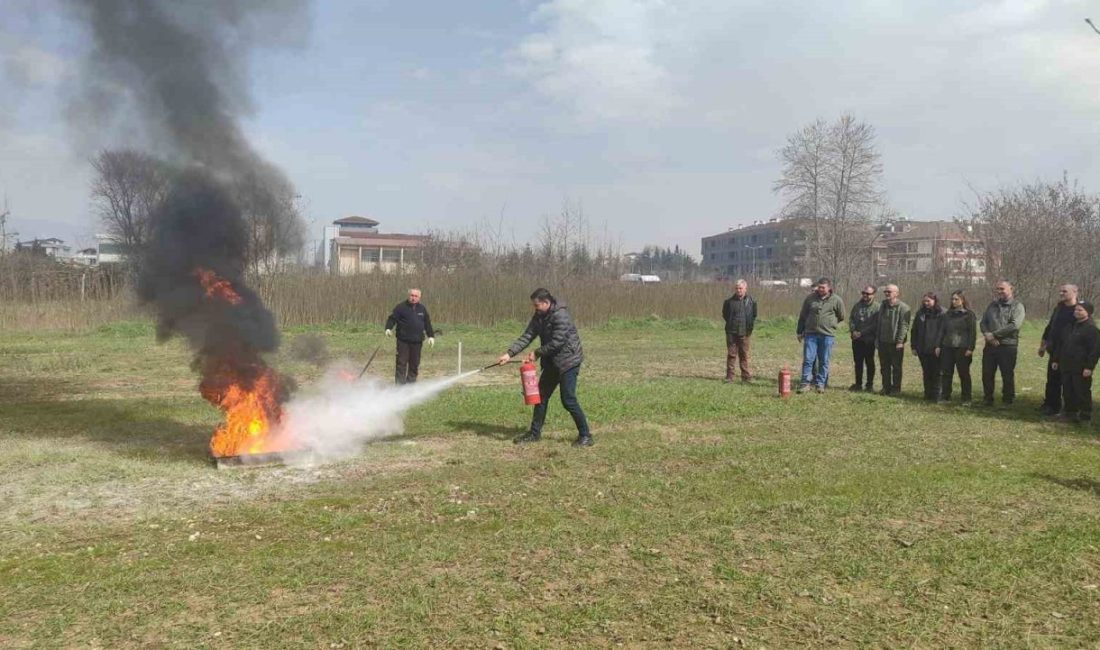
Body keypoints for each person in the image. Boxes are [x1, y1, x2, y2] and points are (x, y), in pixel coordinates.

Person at [497, 288, 592, 447]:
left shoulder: (561, 315)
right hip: (552, 363)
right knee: (540, 396)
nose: (535, 308)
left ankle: (586, 436)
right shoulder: (539, 316)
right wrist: (509, 354)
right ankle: (534, 434)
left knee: (568, 400)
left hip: (569, 361)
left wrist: (537, 353)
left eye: (537, 305)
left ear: (546, 302)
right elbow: (527, 335)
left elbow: (558, 342)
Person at [795, 277, 846, 393]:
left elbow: (841, 316)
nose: (820, 289)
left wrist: (830, 324)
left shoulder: (836, 300)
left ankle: (820, 384)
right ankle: (805, 384)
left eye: (823, 287)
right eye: (819, 287)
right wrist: (799, 331)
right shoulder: (810, 299)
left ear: (829, 288)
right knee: (808, 359)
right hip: (811, 334)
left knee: (824, 360)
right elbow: (803, 316)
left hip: (827, 335)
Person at [979, 280, 1025, 406]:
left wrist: (994, 334)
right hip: (990, 346)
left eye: (1002, 289)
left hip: (1007, 346)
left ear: (1011, 289)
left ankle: (1007, 400)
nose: (999, 292)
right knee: (987, 373)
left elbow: (1015, 325)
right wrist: (987, 334)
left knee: (1007, 373)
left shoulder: (1017, 306)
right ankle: (988, 398)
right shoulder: (992, 305)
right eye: (997, 289)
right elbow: (983, 322)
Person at [1052, 301, 1099, 424]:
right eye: (1076, 310)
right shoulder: (1069, 327)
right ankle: (1069, 413)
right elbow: (1060, 344)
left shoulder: (1091, 329)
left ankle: (1085, 416)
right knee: (1067, 390)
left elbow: (1095, 350)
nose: (1077, 312)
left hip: (1081, 367)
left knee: (1081, 391)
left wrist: (1089, 367)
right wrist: (1056, 359)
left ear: (1088, 312)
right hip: (1066, 364)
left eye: (1080, 310)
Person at [1038, 284, 1081, 416]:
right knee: (1052, 379)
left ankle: (1070, 410)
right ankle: (1050, 405)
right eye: (1060, 291)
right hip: (1054, 350)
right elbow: (1050, 326)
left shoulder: (1079, 310)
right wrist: (1043, 344)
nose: (1061, 293)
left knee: (1068, 382)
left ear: (1075, 292)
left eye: (1064, 291)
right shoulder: (1059, 308)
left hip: (1069, 352)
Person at [384, 288, 435, 384]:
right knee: (401, 363)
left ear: (419, 297)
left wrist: (431, 336)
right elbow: (392, 319)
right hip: (403, 341)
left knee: (414, 364)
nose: (413, 298)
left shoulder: (422, 309)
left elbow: (427, 323)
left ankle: (410, 386)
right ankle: (399, 386)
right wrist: (388, 328)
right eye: (412, 295)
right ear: (408, 296)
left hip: (417, 341)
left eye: (416, 296)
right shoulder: (400, 307)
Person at [938, 290, 977, 405]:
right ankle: (945, 396)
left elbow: (972, 333)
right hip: (947, 347)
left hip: (962, 347)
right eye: (952, 299)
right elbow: (942, 331)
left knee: (964, 374)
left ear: (963, 300)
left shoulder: (969, 315)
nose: (953, 301)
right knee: (946, 373)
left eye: (956, 299)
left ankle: (966, 398)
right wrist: (938, 346)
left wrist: (970, 348)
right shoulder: (947, 315)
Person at [874, 284, 911, 395]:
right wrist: (877, 339)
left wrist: (900, 341)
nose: (886, 293)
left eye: (889, 291)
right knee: (884, 367)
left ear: (896, 293)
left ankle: (896, 389)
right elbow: (879, 323)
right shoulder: (882, 306)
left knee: (896, 367)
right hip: (883, 341)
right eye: (885, 291)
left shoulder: (904, 308)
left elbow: (904, 326)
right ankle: (886, 387)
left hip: (896, 343)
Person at [910, 292, 946, 401]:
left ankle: (937, 395)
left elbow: (944, 331)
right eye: (924, 301)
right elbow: (914, 330)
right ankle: (927, 394)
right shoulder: (920, 313)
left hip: (936, 348)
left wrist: (939, 346)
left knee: (937, 373)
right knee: (926, 372)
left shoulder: (942, 313)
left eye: (928, 301)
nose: (926, 303)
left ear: (935, 301)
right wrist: (913, 346)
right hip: (922, 348)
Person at [721, 279, 757, 383]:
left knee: (744, 355)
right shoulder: (728, 302)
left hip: (745, 333)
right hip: (731, 332)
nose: (738, 290)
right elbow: (725, 315)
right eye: (737, 288)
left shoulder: (752, 302)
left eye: (740, 288)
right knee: (731, 355)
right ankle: (729, 377)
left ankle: (745, 377)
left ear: (745, 289)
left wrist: (748, 328)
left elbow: (753, 315)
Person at [848, 285, 879, 392]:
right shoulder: (857, 305)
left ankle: (869, 385)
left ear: (873, 294)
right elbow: (851, 319)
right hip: (857, 340)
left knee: (869, 362)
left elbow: (875, 324)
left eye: (868, 294)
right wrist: (853, 331)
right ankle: (858, 384)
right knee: (858, 362)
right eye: (863, 293)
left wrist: (861, 333)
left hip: (869, 340)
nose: (865, 295)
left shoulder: (877, 307)